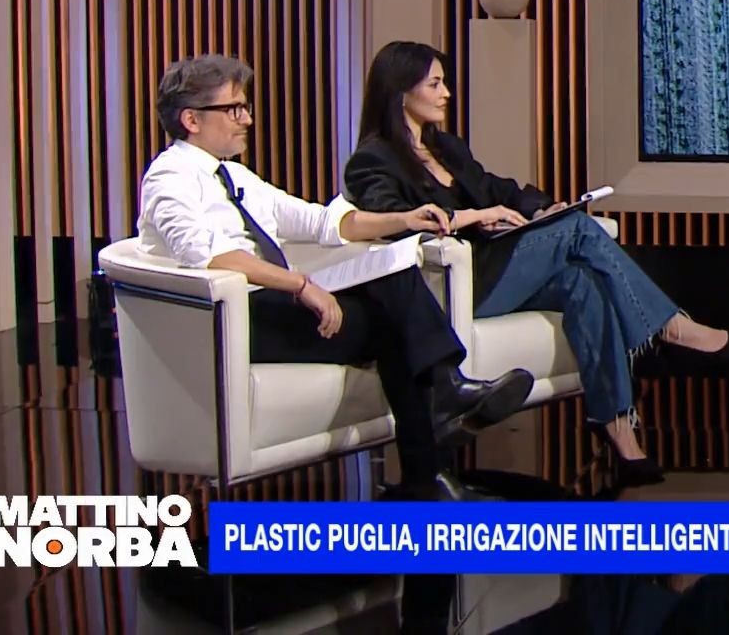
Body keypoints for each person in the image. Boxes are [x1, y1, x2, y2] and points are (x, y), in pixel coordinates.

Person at [342, 41, 729, 488]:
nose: (446, 94)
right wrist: (472, 216)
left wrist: (540, 209)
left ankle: (618, 429)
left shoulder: (446, 148)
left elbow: (498, 187)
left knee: (583, 282)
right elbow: (395, 220)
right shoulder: (373, 159)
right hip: (451, 286)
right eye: (435, 84)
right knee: (578, 231)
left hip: (492, 267)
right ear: (401, 91)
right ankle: (671, 328)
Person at [136, 54, 535, 501]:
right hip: (232, 321)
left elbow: (322, 222)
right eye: (234, 109)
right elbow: (211, 257)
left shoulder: (232, 174)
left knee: (394, 277)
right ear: (191, 119)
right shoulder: (169, 178)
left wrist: (404, 220)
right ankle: (438, 433)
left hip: (268, 305)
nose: (247, 119)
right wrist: (302, 285)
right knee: (397, 327)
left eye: (245, 107)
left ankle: (437, 438)